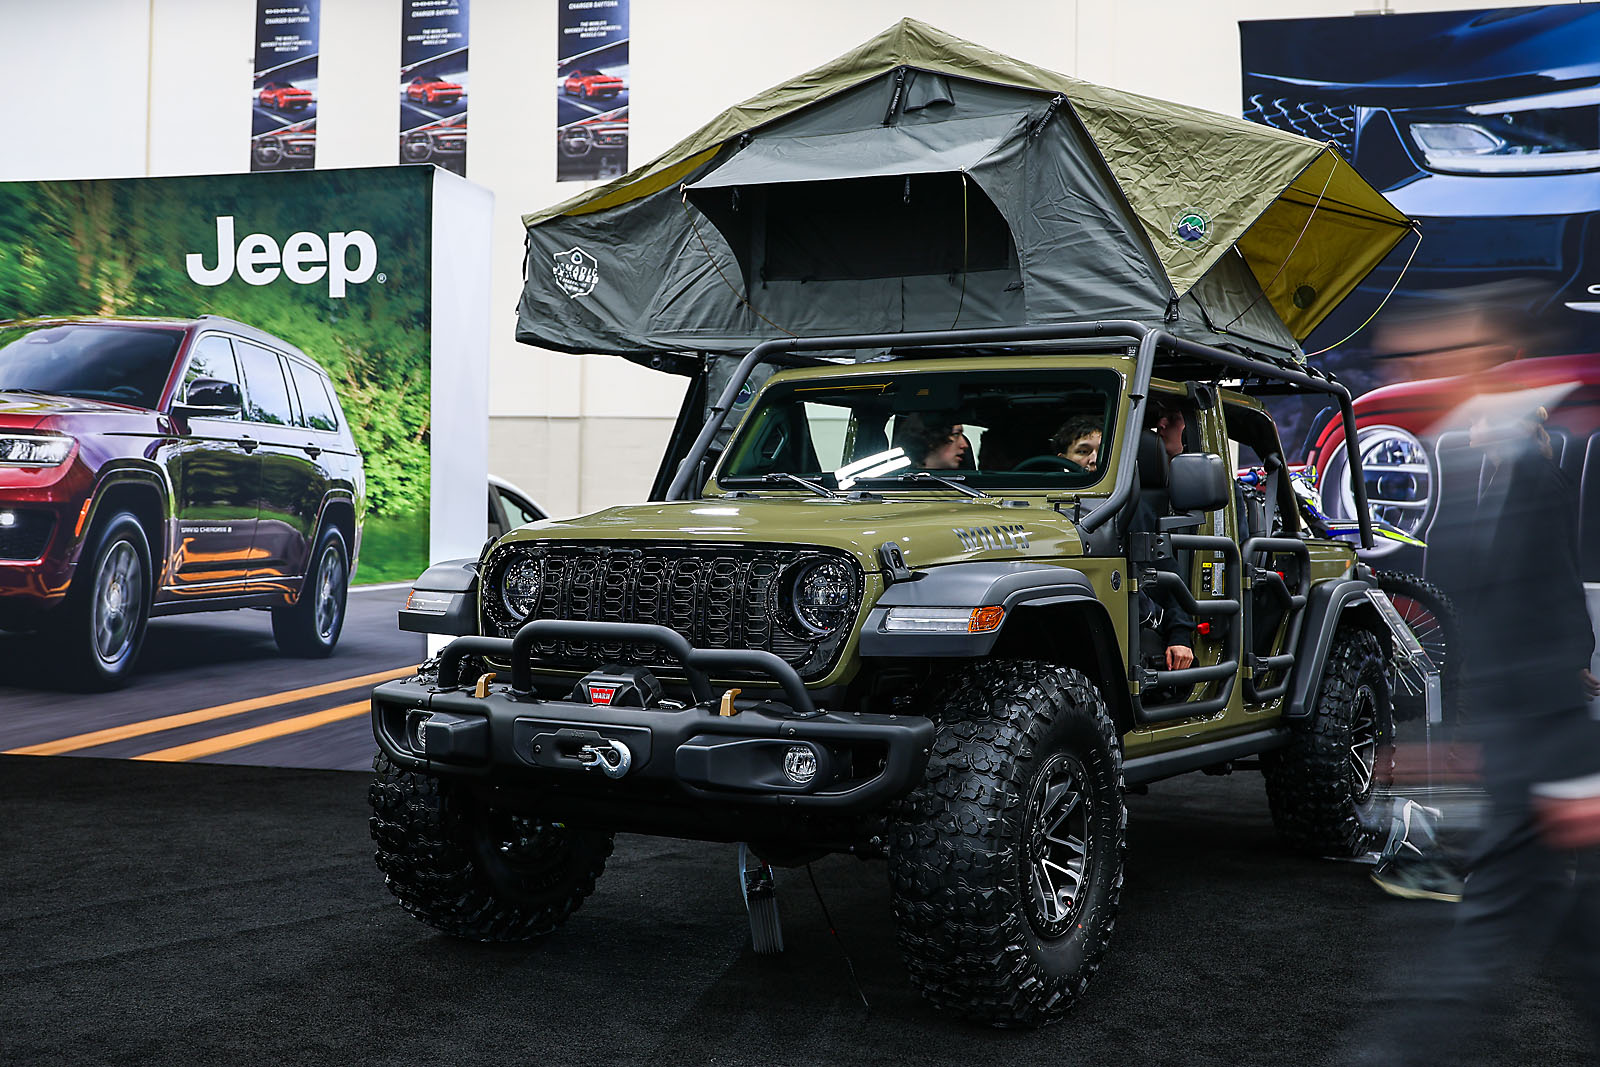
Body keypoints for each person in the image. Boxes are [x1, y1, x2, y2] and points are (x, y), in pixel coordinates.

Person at [1363, 403, 1600, 1063]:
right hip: (1526, 737)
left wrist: (1571, 668)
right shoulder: (1489, 486)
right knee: (1570, 932)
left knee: (1501, 930)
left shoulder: (1533, 484)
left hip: (1539, 738)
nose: (1469, 432)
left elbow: (1554, 586)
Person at [1133, 397, 1195, 673]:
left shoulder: (1134, 507)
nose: (1161, 423)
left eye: (1173, 417)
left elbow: (1168, 574)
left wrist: (1180, 635)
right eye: (1158, 417)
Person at [892, 414, 968, 470]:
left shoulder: (969, 487)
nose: (964, 445)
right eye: (955, 434)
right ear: (930, 439)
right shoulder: (894, 485)